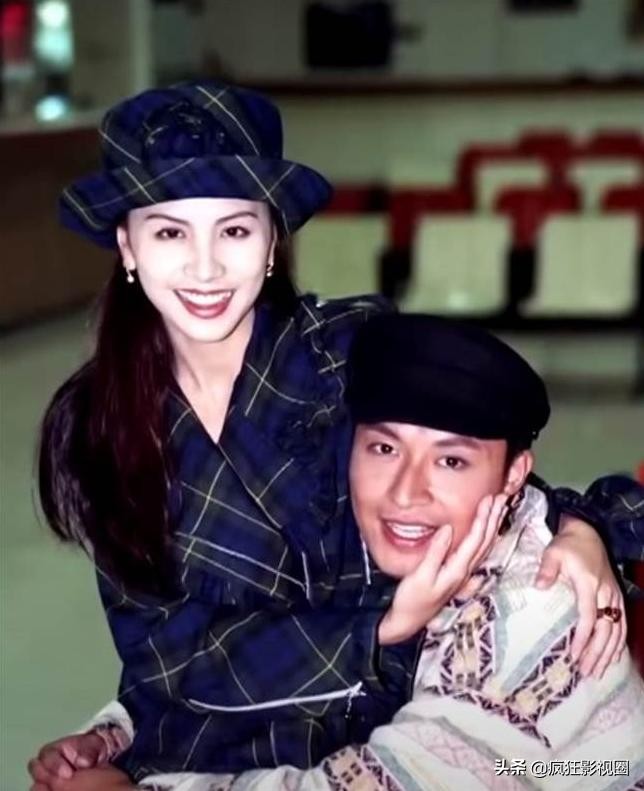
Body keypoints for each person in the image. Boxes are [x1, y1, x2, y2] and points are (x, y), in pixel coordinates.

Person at [27, 81, 636, 789]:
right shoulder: (97, 420)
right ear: (126, 245)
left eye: (234, 230)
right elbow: (163, 654)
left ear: (272, 241)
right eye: (170, 232)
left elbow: (470, 473)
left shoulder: (349, 348)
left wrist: (581, 527)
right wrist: (376, 627)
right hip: (206, 735)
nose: (205, 267)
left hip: (391, 725)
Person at [65, 314, 644, 791]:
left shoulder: (527, 607)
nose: (406, 493)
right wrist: (119, 735)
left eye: (451, 461)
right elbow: (266, 658)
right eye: (384, 448)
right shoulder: (384, 547)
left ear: (514, 473)